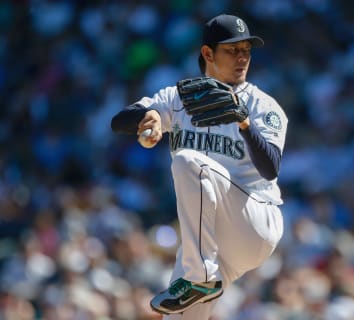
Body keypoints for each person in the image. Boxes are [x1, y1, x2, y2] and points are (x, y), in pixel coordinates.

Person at [111, 13, 288, 319]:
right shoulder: (179, 98)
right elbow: (118, 121)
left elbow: (270, 168)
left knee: (188, 161)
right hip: (207, 241)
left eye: (246, 49)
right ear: (208, 53)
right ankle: (202, 277)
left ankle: (202, 277)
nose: (242, 57)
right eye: (233, 49)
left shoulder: (262, 105)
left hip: (252, 219)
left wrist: (244, 123)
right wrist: (147, 118)